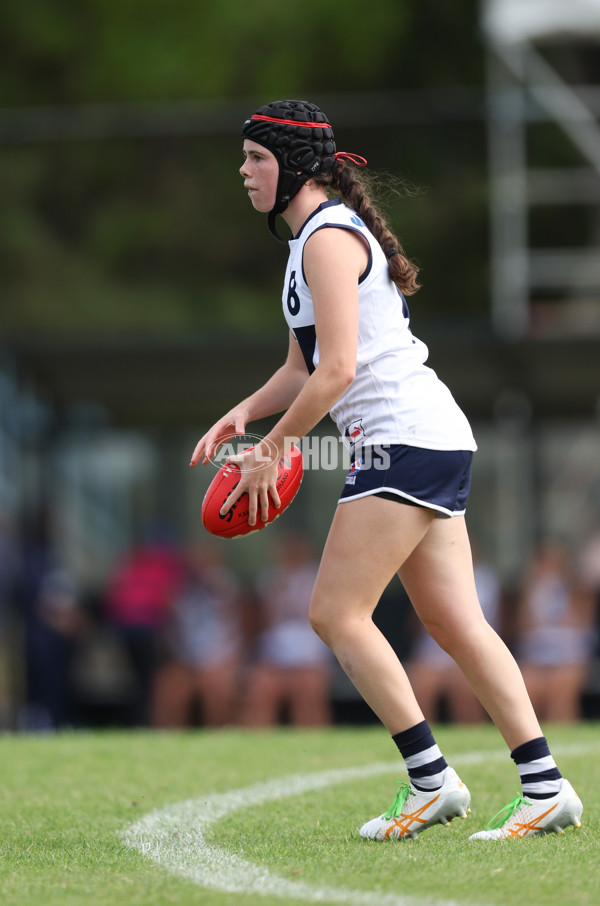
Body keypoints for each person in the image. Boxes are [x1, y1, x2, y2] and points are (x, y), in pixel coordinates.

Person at [190, 99, 583, 841]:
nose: (243, 172)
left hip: (400, 441)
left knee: (335, 614)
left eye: (255, 159)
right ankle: (544, 787)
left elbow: (337, 372)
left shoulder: (327, 240)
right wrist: (247, 414)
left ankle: (431, 782)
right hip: (427, 436)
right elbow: (301, 366)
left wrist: (275, 450)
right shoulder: (310, 240)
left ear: (295, 165)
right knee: (455, 621)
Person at [239, 531, 333, 727]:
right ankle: (253, 750)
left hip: (310, 658)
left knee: (307, 689)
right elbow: (262, 625)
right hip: (274, 658)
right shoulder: (270, 580)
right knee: (259, 687)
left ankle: (315, 748)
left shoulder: (320, 578)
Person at [152, 541, 243, 728]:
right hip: (187, 661)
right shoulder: (180, 590)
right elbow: (172, 633)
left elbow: (240, 629)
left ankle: (220, 739)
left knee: (216, 687)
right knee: (170, 686)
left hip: (220, 660)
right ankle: (166, 743)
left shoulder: (227, 587)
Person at [408, 551, 502, 724]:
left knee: (464, 688)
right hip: (432, 654)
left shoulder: (484, 578)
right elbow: (416, 622)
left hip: (466, 651)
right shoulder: (429, 575)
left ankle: (473, 735)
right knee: (418, 686)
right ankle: (425, 745)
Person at [515, 540, 594, 722]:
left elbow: (581, 625)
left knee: (561, 689)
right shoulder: (531, 590)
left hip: (569, 657)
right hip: (537, 656)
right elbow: (523, 629)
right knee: (526, 688)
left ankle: (564, 737)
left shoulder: (577, 589)